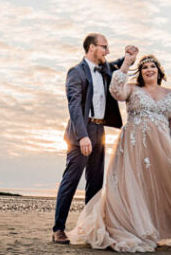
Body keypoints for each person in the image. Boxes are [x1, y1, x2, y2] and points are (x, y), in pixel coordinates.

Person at [68, 52, 171, 252]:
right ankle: (135, 228)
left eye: (153, 66)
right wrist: (127, 62)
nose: (149, 69)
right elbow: (115, 91)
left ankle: (167, 226)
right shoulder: (132, 89)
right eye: (144, 67)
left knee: (162, 185)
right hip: (134, 145)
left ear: (159, 71)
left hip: (162, 147)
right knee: (135, 185)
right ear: (140, 72)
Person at [52, 33, 138, 243]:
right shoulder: (76, 72)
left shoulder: (105, 68)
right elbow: (73, 105)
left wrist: (129, 56)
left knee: (96, 183)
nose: (107, 52)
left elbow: (119, 65)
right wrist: (82, 136)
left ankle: (90, 228)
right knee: (71, 181)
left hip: (99, 132)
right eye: (104, 47)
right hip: (80, 133)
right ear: (91, 48)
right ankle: (58, 229)